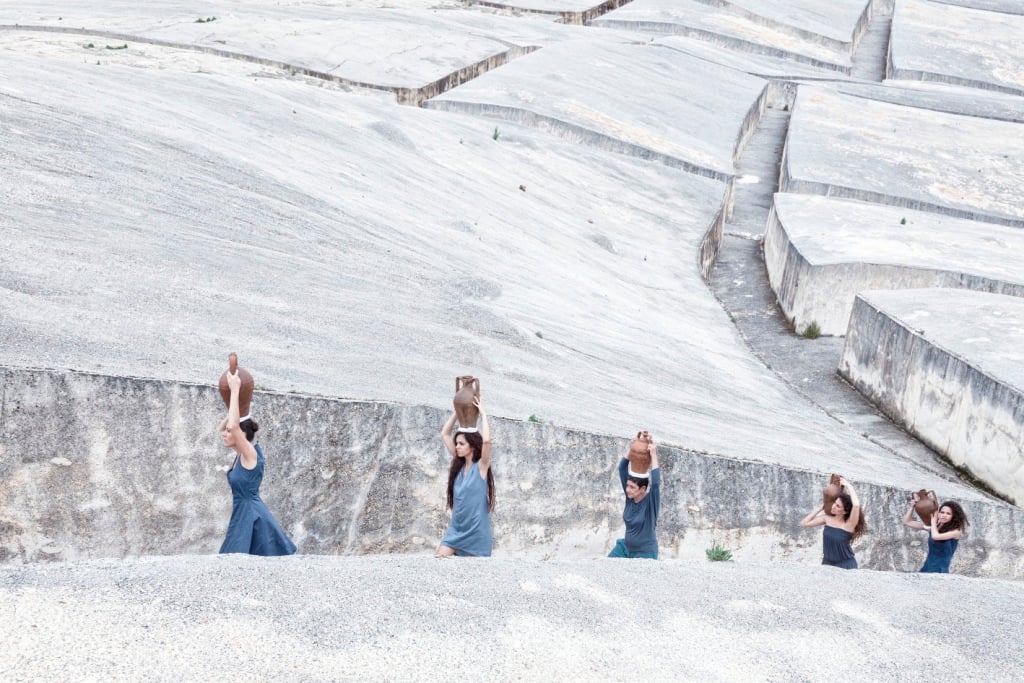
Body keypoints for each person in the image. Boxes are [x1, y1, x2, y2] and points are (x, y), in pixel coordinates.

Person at [218, 369, 296, 556]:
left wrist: (236, 391)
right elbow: (225, 426)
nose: (224, 433)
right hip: (243, 513)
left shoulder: (250, 454)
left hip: (252, 515)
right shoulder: (239, 455)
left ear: (242, 435)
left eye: (229, 433)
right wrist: (236, 406)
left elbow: (234, 426)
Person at [436, 395, 494, 557]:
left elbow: (487, 442)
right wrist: (457, 412)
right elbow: (445, 434)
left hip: (476, 533)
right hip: (456, 530)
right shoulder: (459, 465)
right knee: (439, 559)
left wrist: (483, 415)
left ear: (472, 446)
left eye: (461, 444)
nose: (457, 447)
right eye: (457, 444)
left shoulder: (482, 467)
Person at [608, 435, 660, 559]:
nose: (627, 490)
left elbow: (656, 483)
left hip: (645, 553)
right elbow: (622, 468)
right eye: (627, 486)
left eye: (632, 487)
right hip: (625, 548)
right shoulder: (630, 498)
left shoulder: (650, 503)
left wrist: (653, 454)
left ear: (642, 489)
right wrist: (632, 449)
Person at [799, 476, 866, 569]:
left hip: (846, 565)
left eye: (838, 506)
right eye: (835, 503)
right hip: (827, 563)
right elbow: (803, 523)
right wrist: (819, 508)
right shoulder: (827, 518)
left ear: (845, 511)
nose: (833, 506)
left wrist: (848, 485)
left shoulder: (849, 525)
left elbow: (856, 505)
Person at [903, 499, 968, 573]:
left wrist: (933, 522)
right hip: (927, 567)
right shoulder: (934, 527)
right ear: (938, 513)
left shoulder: (956, 532)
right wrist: (912, 507)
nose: (944, 515)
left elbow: (935, 536)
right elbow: (907, 522)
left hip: (940, 571)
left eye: (948, 514)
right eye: (942, 512)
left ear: (953, 516)